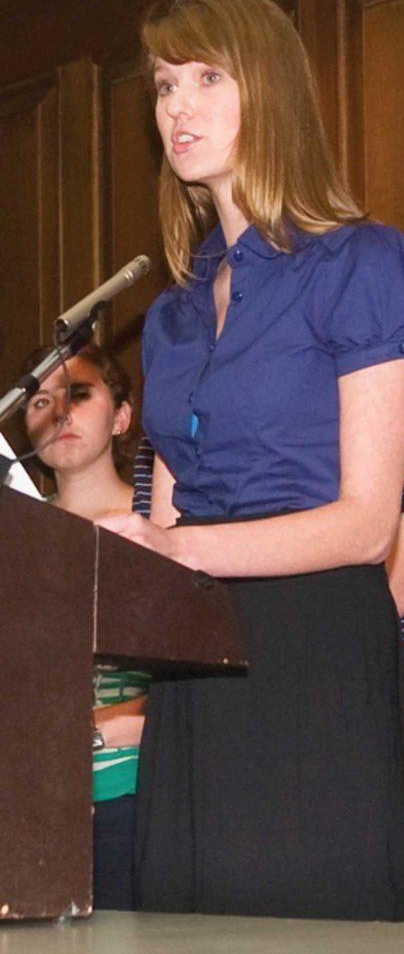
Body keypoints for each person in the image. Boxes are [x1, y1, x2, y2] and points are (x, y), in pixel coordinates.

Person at [98, 0, 404, 921]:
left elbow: (369, 525)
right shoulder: (171, 314)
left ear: (274, 92)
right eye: (166, 85)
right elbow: (165, 523)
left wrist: (183, 551)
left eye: (208, 76)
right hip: (195, 665)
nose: (178, 105)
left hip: (312, 650)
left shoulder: (364, 264)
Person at [131, 372, 404, 655]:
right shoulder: (182, 381)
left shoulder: (390, 363)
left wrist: (290, 660)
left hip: (331, 663)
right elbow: (162, 568)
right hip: (204, 657)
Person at [23, 345, 147, 911]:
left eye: (78, 394)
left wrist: (93, 734)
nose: (59, 414)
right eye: (41, 401)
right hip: (31, 803)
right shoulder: (15, 536)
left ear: (121, 416)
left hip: (130, 797)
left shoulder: (163, 526)